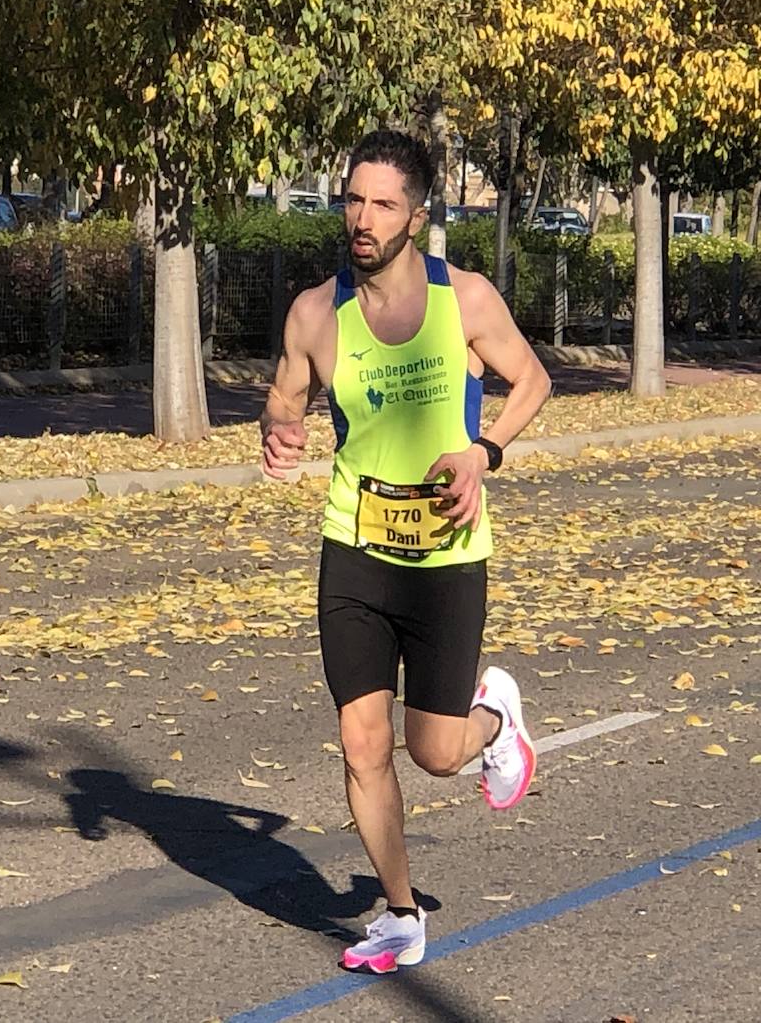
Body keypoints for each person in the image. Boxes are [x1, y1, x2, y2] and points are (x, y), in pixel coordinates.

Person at [260, 129, 552, 974]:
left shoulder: (465, 299)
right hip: (354, 543)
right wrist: (279, 436)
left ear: (416, 217)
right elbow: (285, 398)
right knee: (361, 742)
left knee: (432, 751)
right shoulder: (316, 311)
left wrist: (484, 451)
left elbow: (532, 379)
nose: (362, 215)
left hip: (447, 555)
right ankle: (398, 914)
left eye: (383, 203)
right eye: (354, 198)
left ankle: (494, 715)